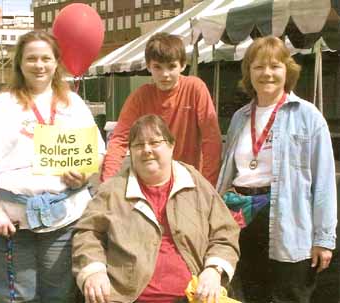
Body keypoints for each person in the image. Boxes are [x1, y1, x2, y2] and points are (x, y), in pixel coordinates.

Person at [0, 30, 106, 303]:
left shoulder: (72, 104)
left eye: (45, 58)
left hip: (65, 220)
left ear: (55, 62)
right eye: (31, 59)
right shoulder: (2, 105)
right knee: (17, 297)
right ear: (20, 63)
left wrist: (84, 173)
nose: (39, 65)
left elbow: (96, 151)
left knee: (60, 295)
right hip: (12, 224)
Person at [217, 36, 337, 303]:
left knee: (289, 296)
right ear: (248, 72)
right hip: (242, 220)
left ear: (287, 70)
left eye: (275, 66)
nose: (267, 73)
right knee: (249, 295)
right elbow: (226, 173)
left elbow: (325, 182)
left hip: (289, 222)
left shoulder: (308, 116)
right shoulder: (240, 118)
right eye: (258, 67)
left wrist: (324, 238)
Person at [73, 114, 239, 303]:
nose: (146, 150)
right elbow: (87, 232)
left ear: (171, 145)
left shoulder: (195, 183)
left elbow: (225, 232)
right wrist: (94, 271)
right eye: (138, 145)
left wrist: (213, 270)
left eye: (155, 142)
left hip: (193, 297)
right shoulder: (113, 189)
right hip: (127, 297)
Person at [100, 32, 222, 186]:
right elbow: (119, 140)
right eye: (158, 67)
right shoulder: (140, 96)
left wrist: (207, 186)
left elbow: (211, 140)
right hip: (149, 183)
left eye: (171, 66)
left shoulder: (195, 88)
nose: (165, 74)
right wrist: (107, 182)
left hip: (187, 182)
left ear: (183, 65)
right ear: (149, 66)